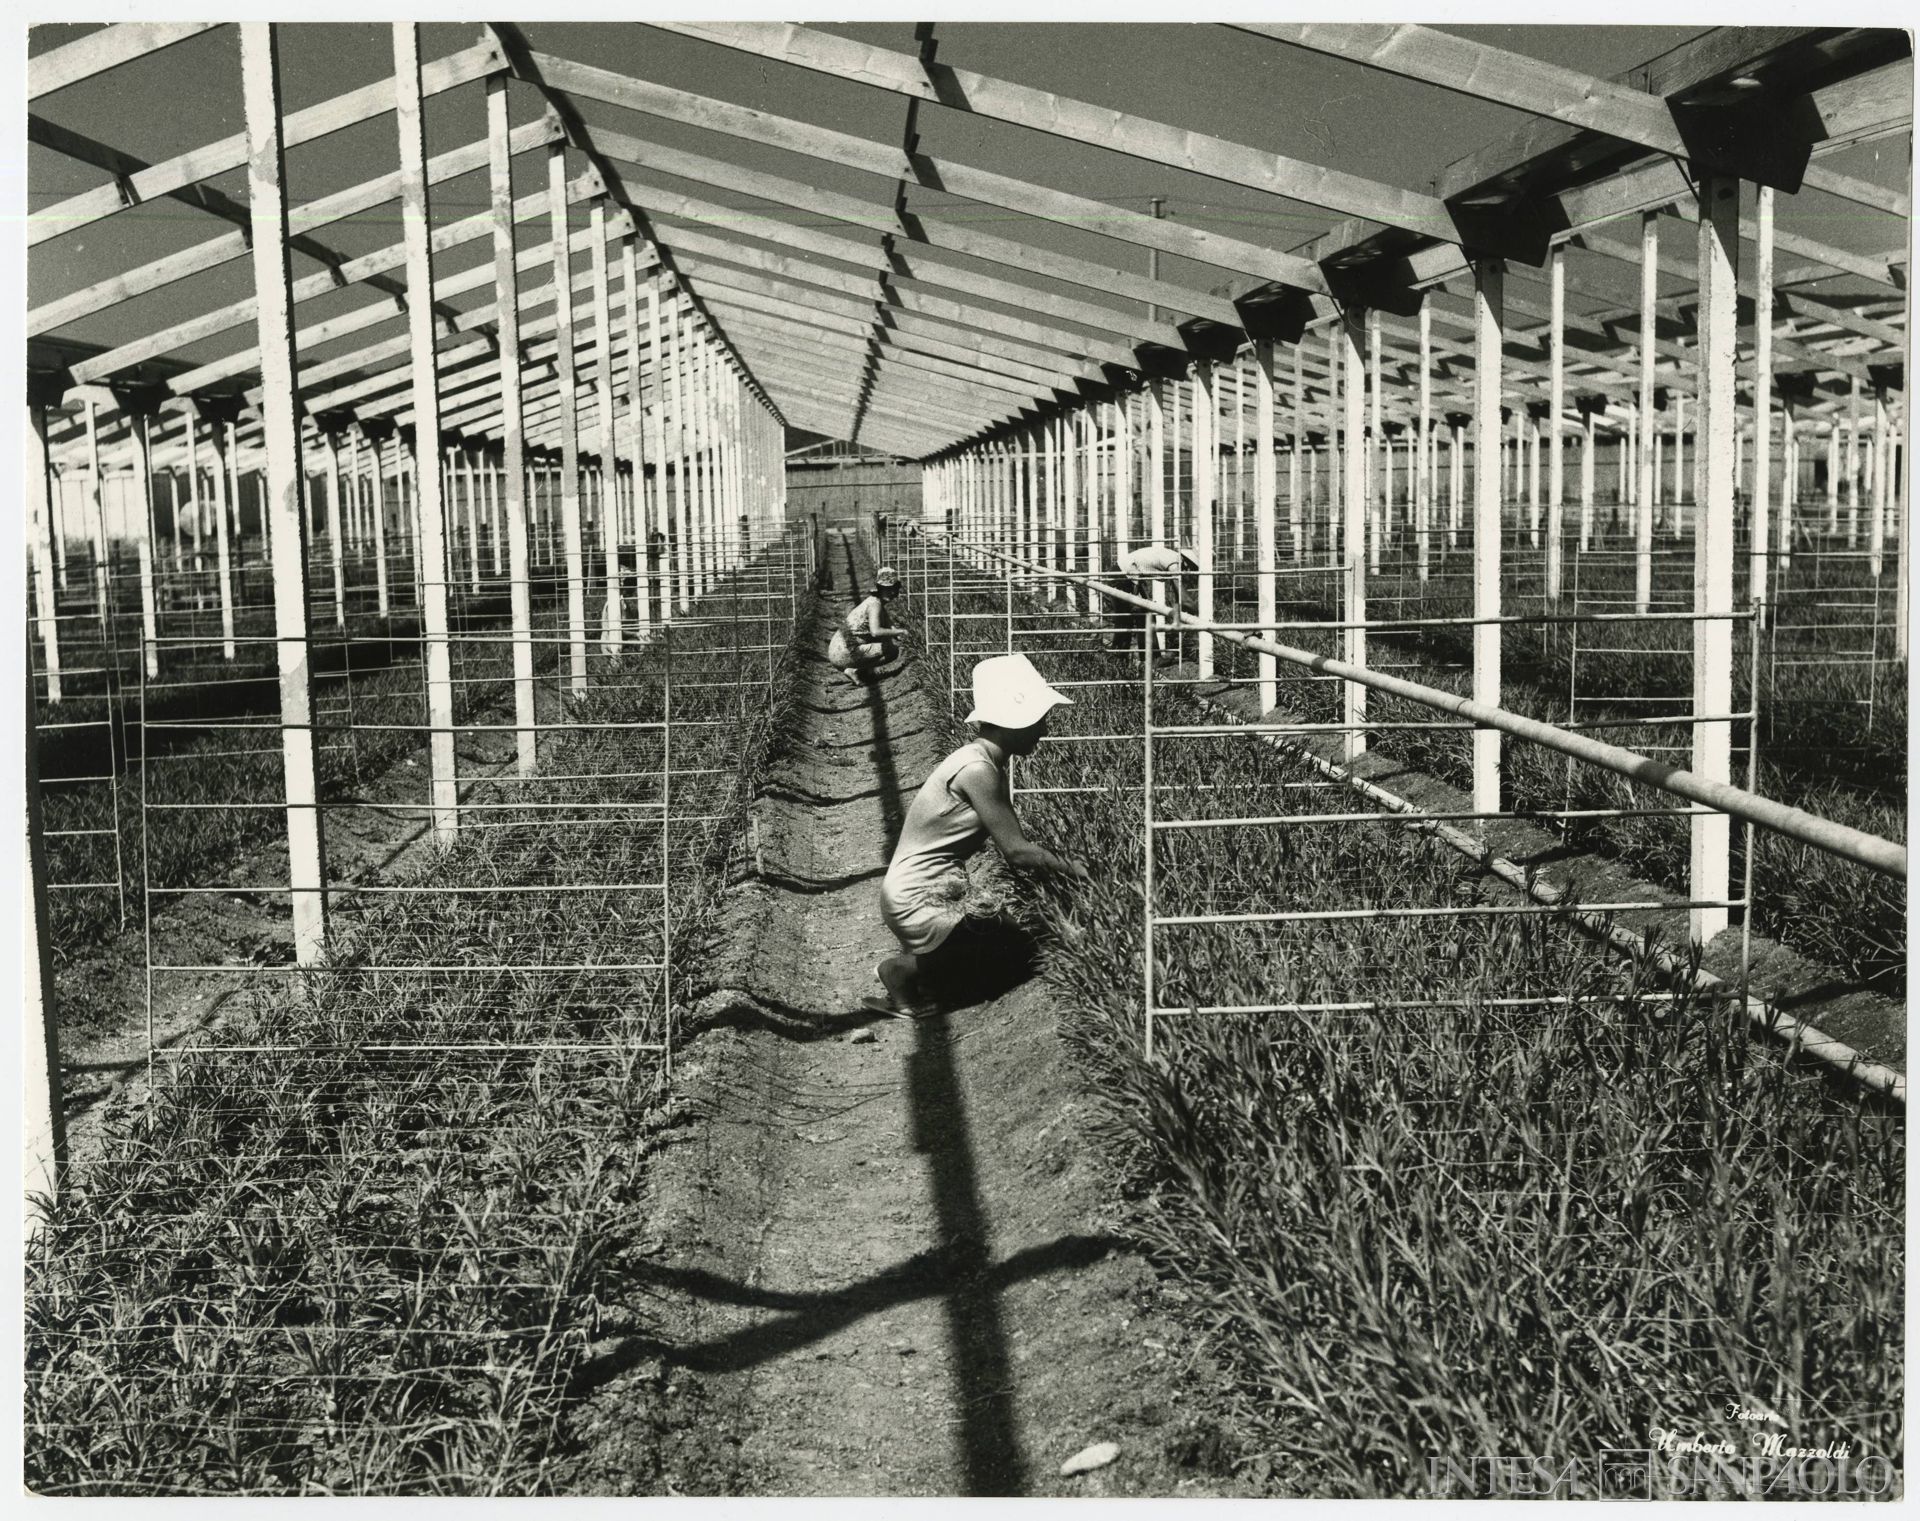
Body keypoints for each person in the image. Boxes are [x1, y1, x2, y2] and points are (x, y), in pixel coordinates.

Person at [867, 654, 1088, 1021]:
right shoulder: (978, 770)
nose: (1044, 730)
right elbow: (1016, 851)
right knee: (1016, 954)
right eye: (1039, 720)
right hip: (919, 895)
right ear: (1014, 720)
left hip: (932, 887)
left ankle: (934, 973)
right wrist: (1077, 870)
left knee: (1017, 943)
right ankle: (905, 973)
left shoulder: (981, 761)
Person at [1105, 539, 1199, 662]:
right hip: (1122, 576)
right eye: (1191, 568)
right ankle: (1121, 659)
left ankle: (1147, 658)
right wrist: (1197, 613)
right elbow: (1184, 598)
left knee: (1145, 615)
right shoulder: (1175, 563)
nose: (1188, 572)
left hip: (1129, 576)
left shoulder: (1172, 558)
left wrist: (1177, 616)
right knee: (1125, 619)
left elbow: (1178, 596)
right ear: (1186, 562)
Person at [827, 565, 906, 685]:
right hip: (845, 651)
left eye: (894, 588)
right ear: (879, 588)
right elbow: (876, 631)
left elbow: (890, 626)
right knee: (891, 650)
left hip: (838, 649)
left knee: (886, 642)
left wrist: (900, 635)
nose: (892, 592)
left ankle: (864, 673)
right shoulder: (875, 605)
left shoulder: (874, 602)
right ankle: (856, 671)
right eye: (887, 588)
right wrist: (901, 632)